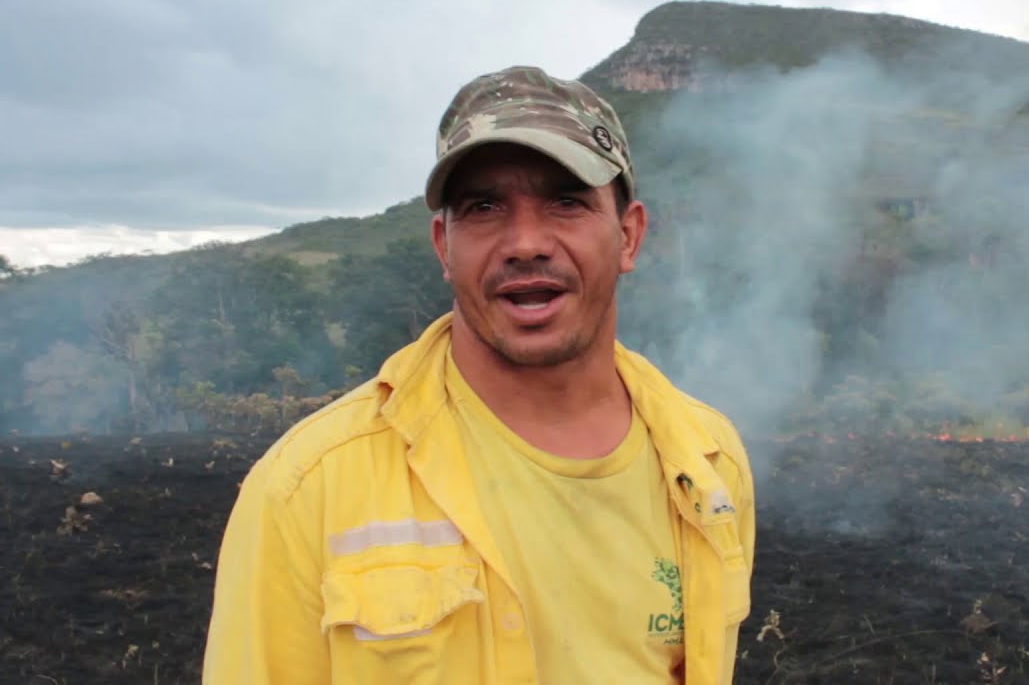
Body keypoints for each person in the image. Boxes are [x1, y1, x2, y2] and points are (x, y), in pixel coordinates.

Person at [203, 65, 755, 684]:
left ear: (628, 236)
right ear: (444, 246)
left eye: (567, 202)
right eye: (484, 207)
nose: (525, 242)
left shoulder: (709, 465)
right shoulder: (308, 485)